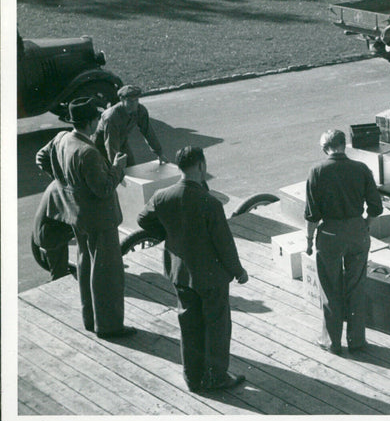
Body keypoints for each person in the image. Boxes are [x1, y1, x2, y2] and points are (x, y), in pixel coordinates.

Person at [137, 146, 248, 392]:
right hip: (210, 276)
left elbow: (142, 219)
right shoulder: (210, 203)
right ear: (201, 165)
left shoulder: (162, 196)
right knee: (217, 327)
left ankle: (192, 377)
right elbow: (224, 244)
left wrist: (167, 234)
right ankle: (216, 376)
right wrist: (238, 271)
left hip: (180, 273)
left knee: (189, 326)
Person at [36, 97, 133, 338]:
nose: (99, 122)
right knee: (107, 274)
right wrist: (118, 168)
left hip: (77, 216)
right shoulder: (87, 152)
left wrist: (64, 185)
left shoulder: (61, 139)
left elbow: (41, 157)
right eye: (97, 118)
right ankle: (109, 326)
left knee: (86, 264)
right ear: (90, 122)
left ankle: (90, 319)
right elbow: (104, 189)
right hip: (100, 220)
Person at [305, 129, 383, 354]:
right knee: (356, 287)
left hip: (330, 235)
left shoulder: (317, 171)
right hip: (357, 232)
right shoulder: (361, 168)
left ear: (324, 148)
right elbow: (376, 207)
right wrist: (365, 224)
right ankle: (357, 340)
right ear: (344, 144)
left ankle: (332, 342)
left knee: (330, 288)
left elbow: (312, 215)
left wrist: (309, 240)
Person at [94, 84, 166, 165]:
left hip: (121, 141)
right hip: (101, 146)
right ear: (121, 99)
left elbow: (148, 132)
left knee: (131, 166)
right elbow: (111, 144)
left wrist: (159, 153)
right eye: (130, 101)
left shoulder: (140, 110)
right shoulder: (112, 116)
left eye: (136, 100)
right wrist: (115, 166)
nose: (134, 104)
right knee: (108, 169)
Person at [32, 180, 75, 281]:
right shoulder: (65, 185)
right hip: (49, 235)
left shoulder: (57, 182)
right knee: (59, 274)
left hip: (43, 231)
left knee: (58, 270)